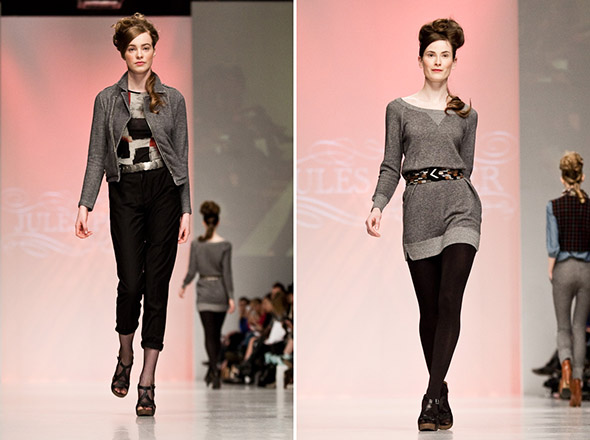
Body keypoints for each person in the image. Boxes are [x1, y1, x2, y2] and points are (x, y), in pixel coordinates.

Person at [365, 18, 480, 432]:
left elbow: (467, 167)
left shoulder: (467, 114)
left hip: (461, 207)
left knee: (450, 300)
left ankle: (430, 396)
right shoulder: (398, 109)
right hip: (418, 210)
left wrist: (455, 194)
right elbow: (390, 164)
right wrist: (378, 204)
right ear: (420, 59)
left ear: (454, 61)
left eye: (445, 55)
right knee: (429, 311)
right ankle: (441, 390)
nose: (437, 61)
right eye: (431, 54)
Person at [75, 13, 191, 417]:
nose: (140, 54)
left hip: (164, 191)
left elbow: (181, 158)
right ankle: (125, 354)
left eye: (146, 47)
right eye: (132, 48)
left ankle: (147, 380)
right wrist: (85, 203)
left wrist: (186, 208)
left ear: (155, 50)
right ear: (122, 53)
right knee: (129, 282)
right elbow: (96, 155)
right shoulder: (106, 100)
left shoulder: (173, 99)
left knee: (157, 287)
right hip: (124, 189)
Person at [546, 151, 590, 407]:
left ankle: (565, 366)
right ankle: (577, 382)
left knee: (563, 327)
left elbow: (553, 245)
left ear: (562, 178)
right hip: (586, 270)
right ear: (581, 176)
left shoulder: (554, 206)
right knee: (579, 327)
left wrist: (551, 270)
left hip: (563, 267)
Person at [179, 201, 235, 389]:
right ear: (218, 222)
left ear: (203, 222)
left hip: (204, 293)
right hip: (220, 293)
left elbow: (192, 270)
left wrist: (184, 285)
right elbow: (227, 273)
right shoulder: (225, 245)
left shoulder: (197, 244)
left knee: (209, 334)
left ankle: (213, 370)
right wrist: (231, 297)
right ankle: (214, 369)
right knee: (216, 333)